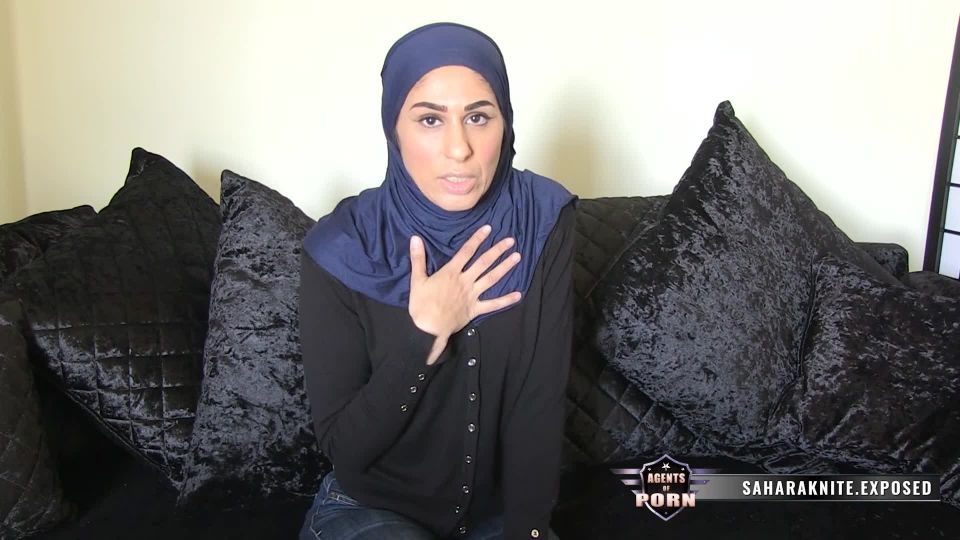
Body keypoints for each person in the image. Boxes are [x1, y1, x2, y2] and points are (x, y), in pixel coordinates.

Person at [298, 22, 576, 540]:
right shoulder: (340, 248)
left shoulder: (541, 219)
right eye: (430, 119)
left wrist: (531, 531)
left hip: (493, 518)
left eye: (478, 117)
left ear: (505, 123)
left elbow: (536, 406)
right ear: (394, 130)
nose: (459, 149)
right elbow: (345, 449)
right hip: (369, 509)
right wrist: (424, 335)